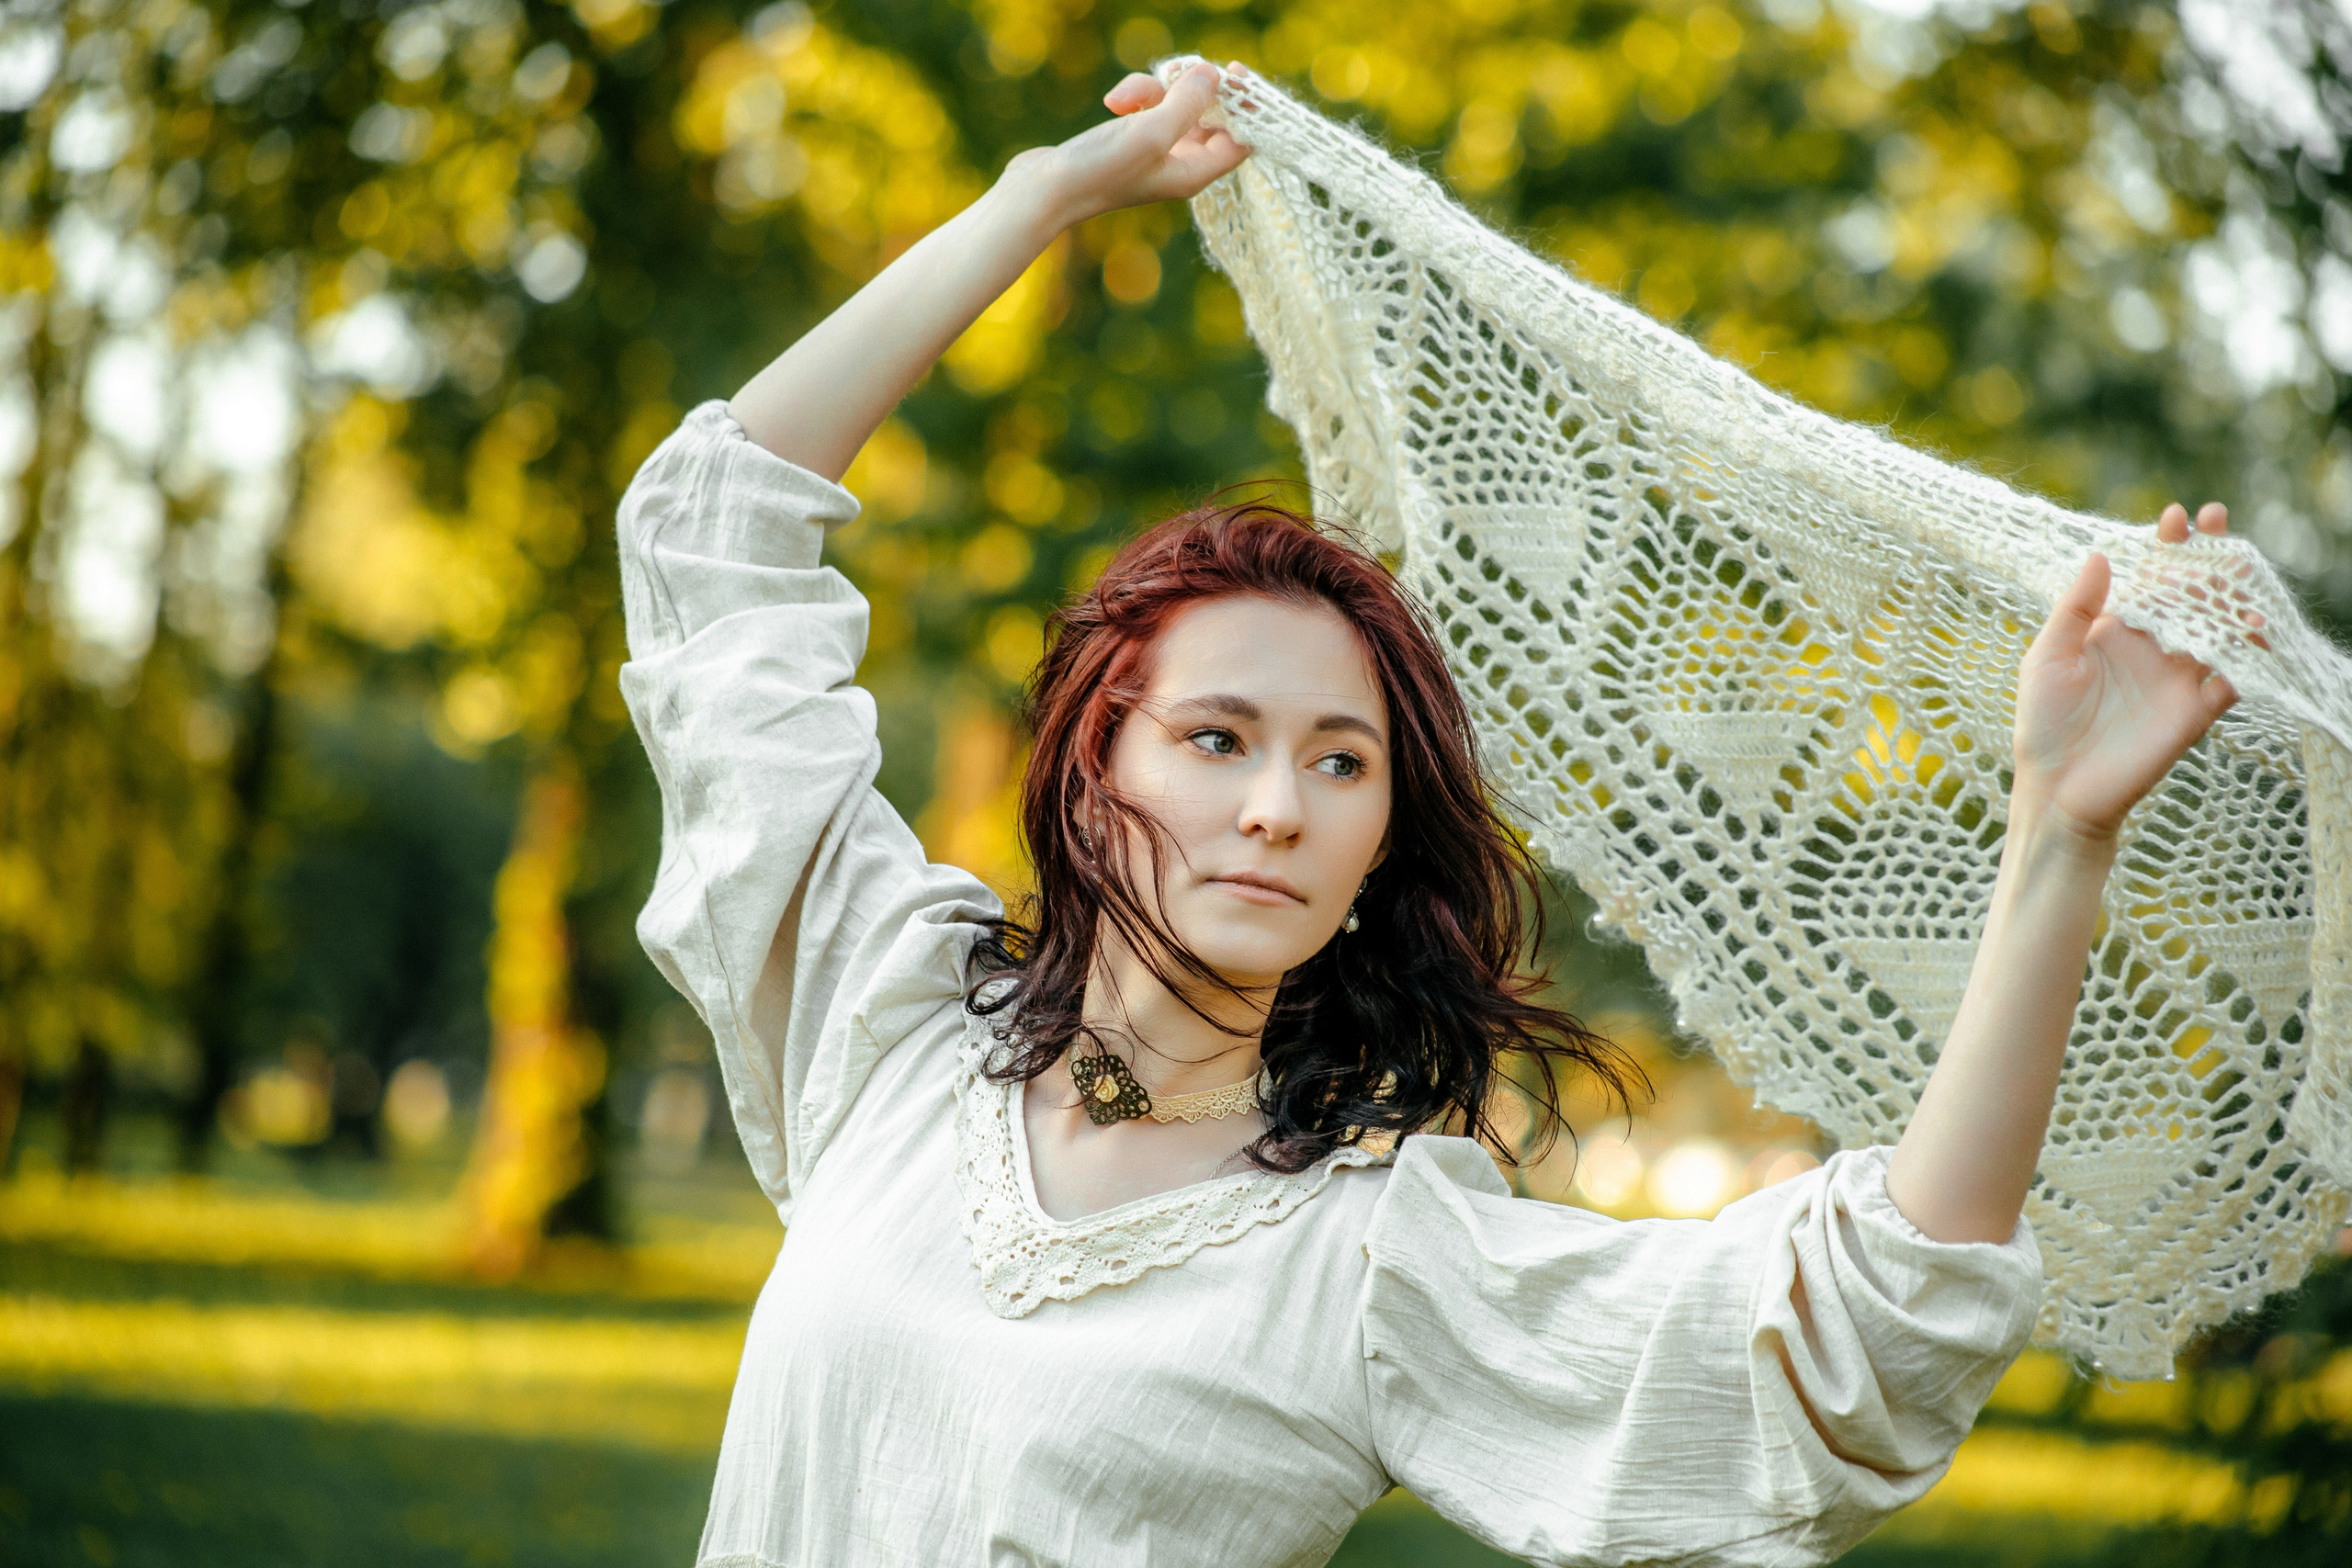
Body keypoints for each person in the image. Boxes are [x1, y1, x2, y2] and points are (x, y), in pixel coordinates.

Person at [616, 60, 2253, 1568]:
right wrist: (1034, 198)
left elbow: (1852, 1346)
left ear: (1376, 848)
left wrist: (2060, 840)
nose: (1277, 808)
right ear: (1090, 765)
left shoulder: (1373, 1265)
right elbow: (716, 537)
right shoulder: (889, 1034)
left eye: (1343, 764)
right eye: (1216, 738)